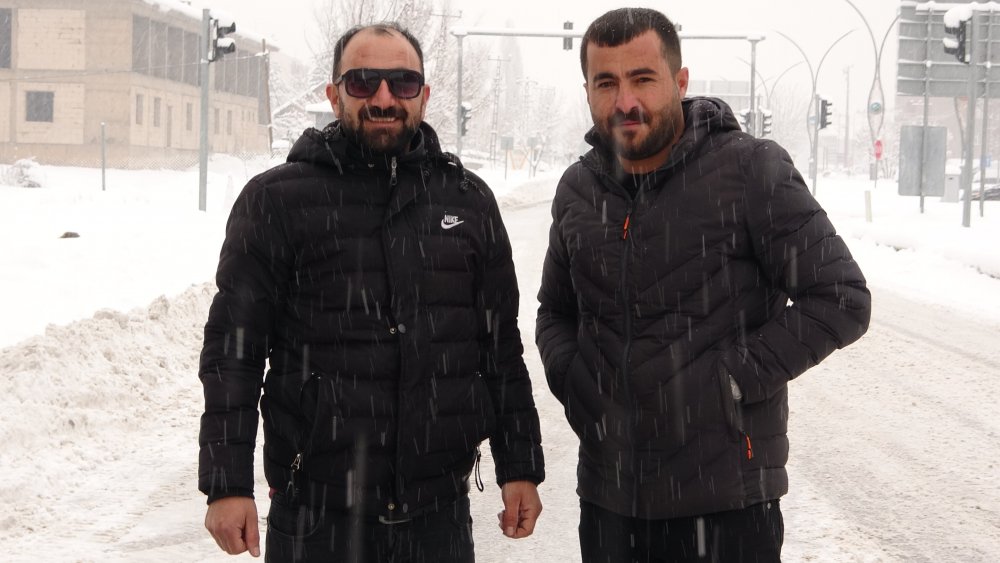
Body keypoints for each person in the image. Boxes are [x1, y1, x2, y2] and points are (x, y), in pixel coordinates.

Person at [199, 22, 544, 563]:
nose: (384, 98)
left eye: (402, 83)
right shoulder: (277, 201)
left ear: (424, 95)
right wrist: (227, 483)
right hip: (315, 519)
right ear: (333, 94)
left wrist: (519, 466)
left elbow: (499, 350)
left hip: (438, 520)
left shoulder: (469, 201)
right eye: (363, 82)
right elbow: (232, 352)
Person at [535, 8, 871, 562]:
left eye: (643, 78)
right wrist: (576, 383)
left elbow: (841, 297)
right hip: (609, 502)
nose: (625, 101)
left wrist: (729, 380)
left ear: (680, 81)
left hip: (726, 505)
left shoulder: (750, 169)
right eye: (606, 82)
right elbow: (555, 310)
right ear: (588, 91)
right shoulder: (578, 188)